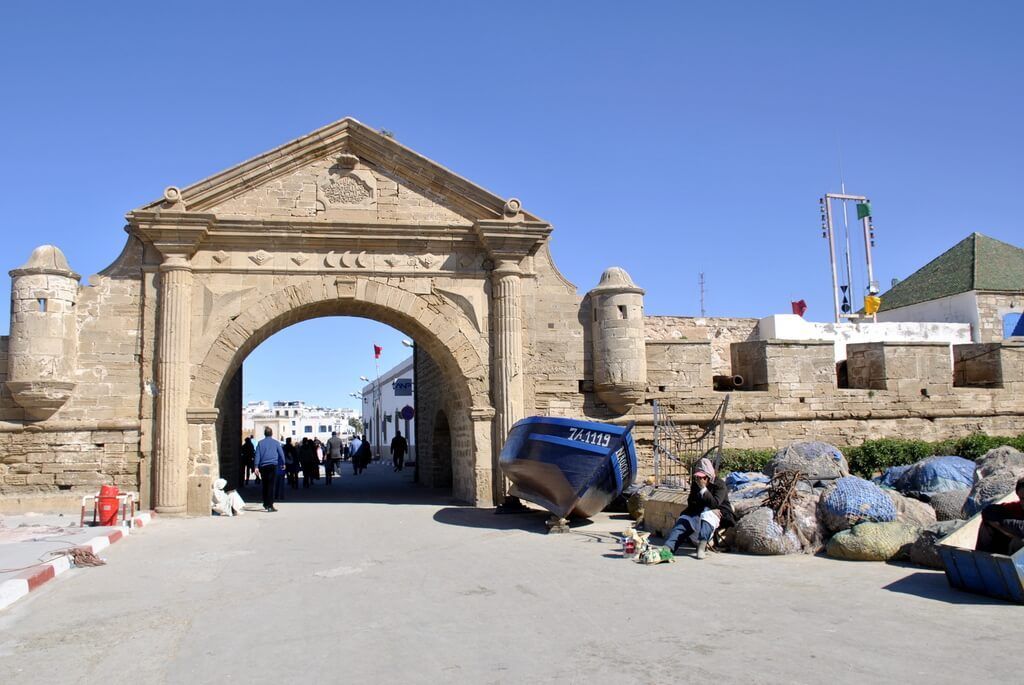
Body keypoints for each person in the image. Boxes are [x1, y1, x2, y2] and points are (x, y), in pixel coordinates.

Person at [663, 457, 735, 559]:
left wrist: (704, 489)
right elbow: (691, 503)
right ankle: (668, 547)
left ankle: (701, 547)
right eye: (698, 477)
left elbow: (715, 503)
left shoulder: (719, 485)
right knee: (684, 519)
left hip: (720, 514)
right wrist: (706, 506)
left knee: (708, 514)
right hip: (699, 512)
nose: (700, 480)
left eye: (703, 477)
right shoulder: (696, 484)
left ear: (708, 476)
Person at [977, 476, 1024, 555]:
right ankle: (985, 559)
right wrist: (1004, 529)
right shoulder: (1016, 507)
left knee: (1020, 541)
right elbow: (988, 511)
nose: (1023, 502)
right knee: (987, 524)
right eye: (1022, 498)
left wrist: (1002, 525)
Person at [254, 426, 285, 512]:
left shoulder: (260, 443)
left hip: (263, 467)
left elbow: (257, 455)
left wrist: (256, 466)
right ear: (272, 434)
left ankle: (265, 503)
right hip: (273, 466)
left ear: (264, 434)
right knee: (271, 485)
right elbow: (281, 453)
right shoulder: (276, 443)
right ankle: (270, 505)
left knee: (265, 485)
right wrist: (283, 463)